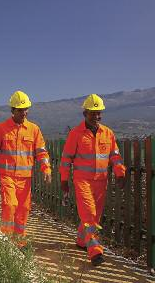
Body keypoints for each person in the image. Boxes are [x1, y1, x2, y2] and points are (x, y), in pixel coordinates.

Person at [60, 94, 126, 266]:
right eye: (92, 113)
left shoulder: (108, 133)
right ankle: (95, 250)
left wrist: (120, 172)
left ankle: (82, 241)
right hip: (83, 181)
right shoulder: (76, 133)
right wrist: (64, 180)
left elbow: (115, 156)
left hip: (101, 182)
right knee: (89, 214)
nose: (96, 116)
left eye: (99, 113)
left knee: (94, 216)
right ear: (85, 114)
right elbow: (66, 158)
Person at [0, 90, 52, 247]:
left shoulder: (34, 130)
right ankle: (5, 240)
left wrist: (46, 169)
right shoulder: (2, 129)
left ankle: (20, 241)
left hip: (25, 178)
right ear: (12, 110)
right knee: (10, 204)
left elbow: (42, 152)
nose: (24, 112)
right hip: (7, 176)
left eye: (26, 109)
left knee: (23, 209)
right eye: (20, 110)